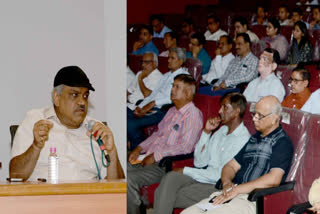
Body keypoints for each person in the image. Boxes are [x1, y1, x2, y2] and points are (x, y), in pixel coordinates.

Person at [182, 96, 294, 214]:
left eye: (259, 115)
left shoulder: (282, 142)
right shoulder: (254, 139)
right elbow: (230, 166)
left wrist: (237, 190)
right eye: (254, 114)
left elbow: (274, 179)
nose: (254, 119)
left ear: (274, 118)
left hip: (252, 199)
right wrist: (226, 183)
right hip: (231, 193)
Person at [10, 66, 124, 181]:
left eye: (85, 96)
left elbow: (118, 188)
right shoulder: (35, 120)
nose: (82, 102)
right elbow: (15, 175)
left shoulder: (97, 130)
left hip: (89, 197)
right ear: (56, 98)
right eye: (74, 95)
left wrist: (112, 152)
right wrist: (36, 146)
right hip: (46, 197)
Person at [153, 92, 251, 214]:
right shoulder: (221, 130)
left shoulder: (242, 139)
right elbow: (199, 162)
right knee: (170, 178)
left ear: (236, 111)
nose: (220, 111)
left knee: (165, 194)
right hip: (202, 176)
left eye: (225, 107)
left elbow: (220, 175)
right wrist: (206, 132)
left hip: (216, 185)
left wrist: (186, 170)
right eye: (221, 107)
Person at [127, 74, 203, 214]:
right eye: (172, 86)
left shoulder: (192, 115)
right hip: (148, 157)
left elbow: (186, 147)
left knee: (129, 179)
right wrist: (139, 148)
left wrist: (156, 155)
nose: (172, 90)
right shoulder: (172, 111)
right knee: (122, 171)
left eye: (177, 87)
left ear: (187, 93)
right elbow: (157, 135)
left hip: (166, 165)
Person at [127, 47, 189, 150]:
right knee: (124, 115)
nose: (168, 60)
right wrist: (140, 106)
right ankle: (137, 145)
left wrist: (153, 103)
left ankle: (138, 149)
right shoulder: (165, 76)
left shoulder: (184, 77)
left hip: (163, 110)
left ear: (181, 61)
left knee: (130, 123)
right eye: (168, 58)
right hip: (150, 107)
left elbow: (174, 98)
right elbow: (152, 95)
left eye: (172, 58)